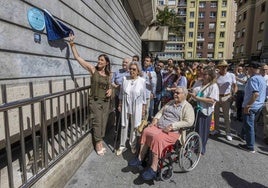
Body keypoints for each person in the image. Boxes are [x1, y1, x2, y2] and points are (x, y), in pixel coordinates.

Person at [128, 86, 195, 180]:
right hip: (159, 127)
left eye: (177, 93)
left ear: (184, 95)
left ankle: (153, 168)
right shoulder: (171, 102)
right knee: (146, 131)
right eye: (175, 92)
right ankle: (140, 158)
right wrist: (155, 119)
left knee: (157, 138)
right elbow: (161, 111)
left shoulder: (187, 107)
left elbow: (189, 121)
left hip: (173, 132)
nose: (175, 94)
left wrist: (173, 126)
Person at [69, 34, 112, 156]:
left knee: (103, 121)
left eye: (102, 60)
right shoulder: (93, 70)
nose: (99, 61)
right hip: (95, 101)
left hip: (105, 101)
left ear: (106, 63)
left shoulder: (109, 74)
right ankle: (98, 143)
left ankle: (100, 139)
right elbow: (78, 58)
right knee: (97, 122)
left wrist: (111, 90)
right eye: (99, 59)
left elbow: (109, 86)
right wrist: (72, 44)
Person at [116, 62, 147, 155]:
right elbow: (121, 94)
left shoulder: (142, 81)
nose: (131, 71)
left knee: (134, 126)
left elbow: (144, 96)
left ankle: (132, 145)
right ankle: (122, 146)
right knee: (124, 125)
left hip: (137, 106)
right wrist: (120, 104)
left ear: (138, 71)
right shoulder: (125, 79)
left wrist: (143, 109)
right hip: (125, 105)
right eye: (130, 69)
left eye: (134, 69)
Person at [189, 67, 219, 155]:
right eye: (203, 73)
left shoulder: (213, 86)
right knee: (194, 128)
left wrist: (197, 98)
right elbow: (194, 91)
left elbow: (212, 100)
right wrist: (192, 94)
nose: (203, 75)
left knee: (202, 130)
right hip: (195, 108)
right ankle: (192, 145)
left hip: (205, 111)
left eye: (205, 74)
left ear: (210, 76)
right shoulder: (199, 82)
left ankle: (201, 149)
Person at [238, 61, 266, 153]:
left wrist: (248, 105)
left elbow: (255, 94)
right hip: (259, 105)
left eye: (248, 68)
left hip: (252, 106)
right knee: (251, 124)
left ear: (252, 68)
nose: (247, 70)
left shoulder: (253, 79)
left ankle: (250, 146)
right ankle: (243, 136)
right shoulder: (261, 78)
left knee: (250, 126)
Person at [213, 60, 237, 141]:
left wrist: (234, 94)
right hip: (216, 97)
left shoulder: (231, 75)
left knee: (227, 116)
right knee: (216, 115)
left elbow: (235, 86)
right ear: (219, 67)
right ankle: (216, 129)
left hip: (226, 97)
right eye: (222, 66)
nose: (224, 68)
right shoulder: (216, 75)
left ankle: (228, 132)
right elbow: (212, 84)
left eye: (225, 66)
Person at [111, 58, 131, 140]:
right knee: (118, 115)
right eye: (123, 62)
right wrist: (115, 86)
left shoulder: (131, 72)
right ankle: (118, 133)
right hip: (118, 96)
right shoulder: (117, 72)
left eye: (126, 62)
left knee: (127, 115)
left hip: (128, 98)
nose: (124, 63)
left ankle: (127, 132)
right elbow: (112, 82)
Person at [141, 56, 157, 121]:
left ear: (150, 63)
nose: (145, 62)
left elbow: (154, 84)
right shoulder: (141, 71)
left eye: (147, 61)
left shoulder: (152, 73)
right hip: (139, 94)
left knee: (145, 111)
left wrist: (152, 93)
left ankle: (143, 125)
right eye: (145, 60)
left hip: (147, 94)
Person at [260, 64, 268, 144]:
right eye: (263, 69)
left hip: (266, 100)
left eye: (266, 69)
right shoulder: (258, 77)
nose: (265, 71)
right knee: (254, 118)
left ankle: (266, 136)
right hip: (257, 100)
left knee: (266, 119)